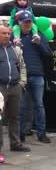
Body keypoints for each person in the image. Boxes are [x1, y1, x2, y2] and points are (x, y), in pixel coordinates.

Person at [17, 11, 52, 144]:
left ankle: (41, 134)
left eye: (30, 22)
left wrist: (39, 44)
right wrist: (15, 45)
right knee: (23, 106)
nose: (28, 24)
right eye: (25, 22)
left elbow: (48, 54)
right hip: (21, 76)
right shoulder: (15, 37)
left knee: (39, 105)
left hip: (37, 75)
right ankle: (21, 134)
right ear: (19, 23)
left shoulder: (39, 35)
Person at [0, 23, 30, 161]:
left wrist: (22, 82)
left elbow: (22, 66)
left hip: (15, 86)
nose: (7, 35)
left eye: (8, 33)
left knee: (15, 116)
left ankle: (15, 143)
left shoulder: (15, 49)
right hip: (0, 88)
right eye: (3, 33)